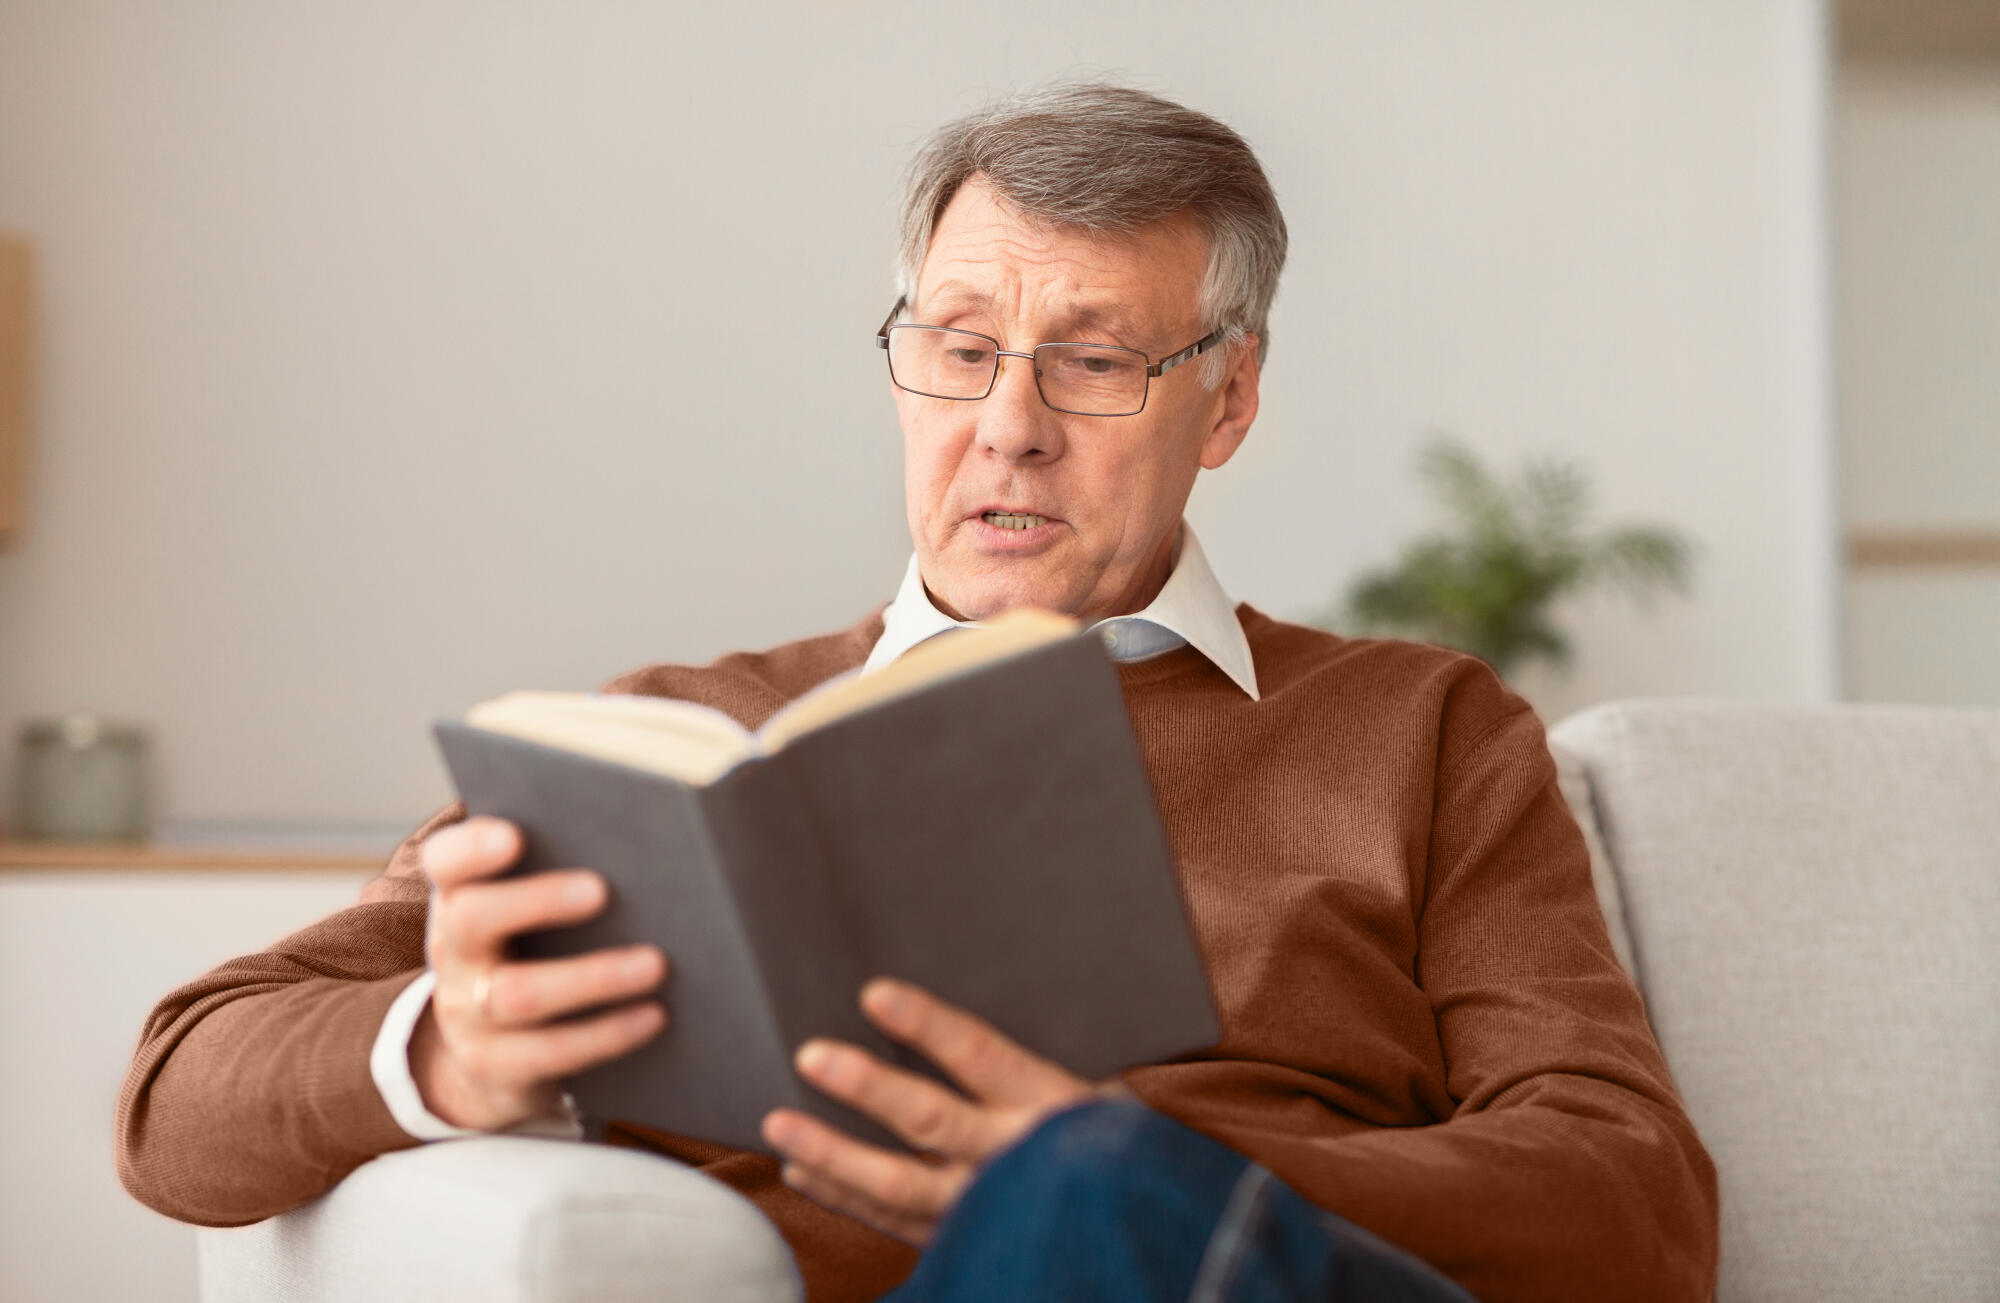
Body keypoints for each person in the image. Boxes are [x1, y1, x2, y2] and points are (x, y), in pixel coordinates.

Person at [116, 83, 1718, 1303]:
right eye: (959, 348)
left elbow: (1636, 1203)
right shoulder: (692, 739)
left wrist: (1145, 1160)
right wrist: (449, 1051)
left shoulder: (1419, 729)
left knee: (1092, 1187)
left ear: (1225, 401)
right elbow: (174, 1100)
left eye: (1092, 362)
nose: (1006, 426)